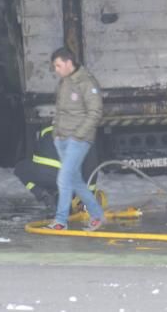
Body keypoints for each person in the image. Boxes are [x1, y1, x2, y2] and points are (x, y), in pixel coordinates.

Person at [46, 46, 105, 231]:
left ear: (68, 63)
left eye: (58, 65)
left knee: (63, 179)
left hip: (78, 140)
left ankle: (61, 221)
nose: (56, 70)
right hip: (62, 138)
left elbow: (95, 112)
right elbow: (60, 109)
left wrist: (79, 135)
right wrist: (56, 132)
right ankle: (97, 215)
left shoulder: (86, 82)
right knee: (74, 181)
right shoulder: (65, 82)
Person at [13, 126, 104, 214]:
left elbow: (36, 155)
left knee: (20, 168)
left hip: (41, 175)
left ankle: (42, 193)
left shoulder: (46, 130)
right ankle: (62, 199)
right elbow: (91, 167)